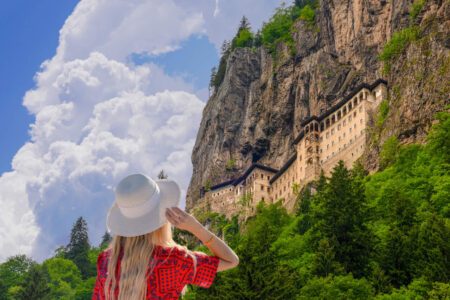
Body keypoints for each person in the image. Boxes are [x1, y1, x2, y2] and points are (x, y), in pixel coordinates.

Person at [92, 173, 239, 299]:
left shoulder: (106, 261)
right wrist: (196, 227)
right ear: (161, 217)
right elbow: (231, 260)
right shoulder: (173, 261)